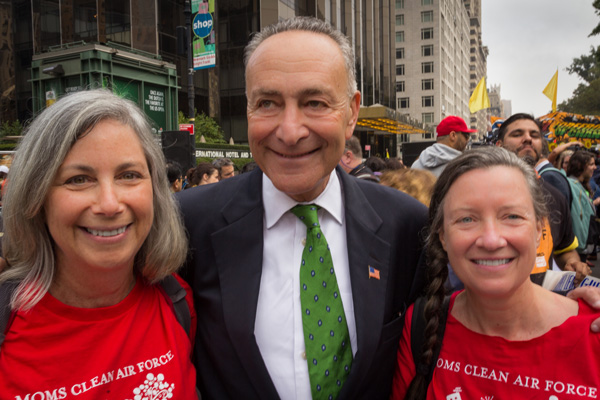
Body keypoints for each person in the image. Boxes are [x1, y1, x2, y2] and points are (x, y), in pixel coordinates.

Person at [176, 16, 428, 399]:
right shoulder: (188, 223)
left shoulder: (406, 224)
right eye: (267, 103)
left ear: (352, 112)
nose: (290, 131)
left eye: (314, 103)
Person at [0, 89, 198, 398]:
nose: (109, 204)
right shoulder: (7, 323)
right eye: (79, 179)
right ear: (36, 198)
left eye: (129, 175)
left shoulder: (177, 301)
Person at [391, 147, 600, 399]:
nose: (491, 240)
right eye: (467, 219)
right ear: (443, 237)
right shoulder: (420, 327)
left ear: (538, 231)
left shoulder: (593, 333)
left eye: (512, 216)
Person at [495, 113, 590, 283]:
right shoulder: (481, 193)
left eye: (534, 135)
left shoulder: (555, 196)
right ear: (499, 145)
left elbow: (565, 249)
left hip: (541, 301)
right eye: (517, 134)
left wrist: (573, 263)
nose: (528, 139)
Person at [411, 115, 475, 178]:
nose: (467, 140)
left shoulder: (416, 165)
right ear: (453, 135)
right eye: (466, 135)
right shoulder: (463, 168)